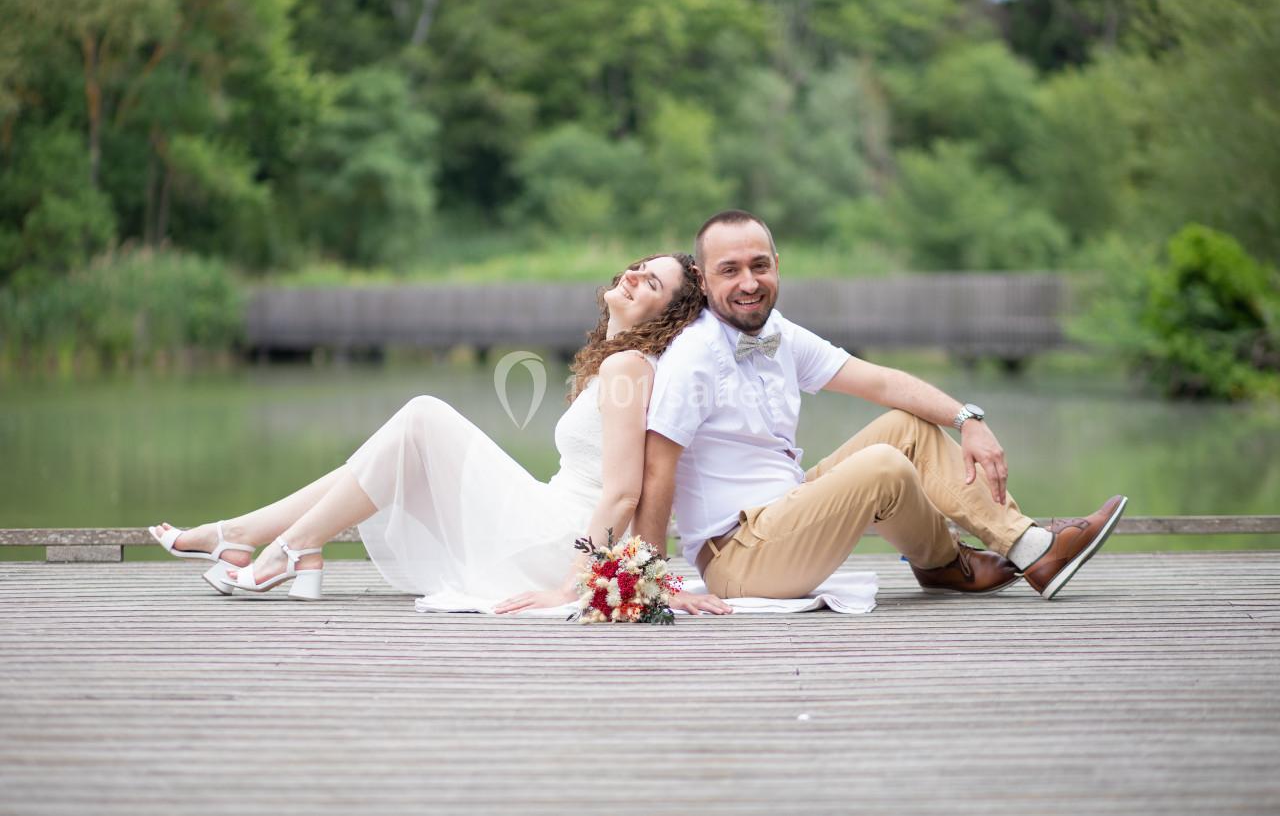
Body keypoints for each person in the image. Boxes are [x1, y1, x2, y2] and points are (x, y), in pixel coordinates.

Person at [149, 253, 730, 615]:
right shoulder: (617, 362)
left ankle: (283, 546)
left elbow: (625, 493)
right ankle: (252, 536)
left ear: (664, 316)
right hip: (551, 522)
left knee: (423, 418)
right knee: (400, 447)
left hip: (560, 544)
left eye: (651, 282)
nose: (632, 276)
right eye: (637, 266)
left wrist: (573, 585)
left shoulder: (628, 369)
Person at [632, 210, 1127, 606]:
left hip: (787, 511)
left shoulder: (777, 332)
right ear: (701, 279)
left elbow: (882, 381)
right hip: (738, 557)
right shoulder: (694, 355)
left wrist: (968, 419)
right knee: (882, 465)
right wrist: (653, 585)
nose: (749, 282)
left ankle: (1025, 548)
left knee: (907, 427)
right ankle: (949, 561)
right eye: (730, 270)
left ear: (777, 264)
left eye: (759, 265)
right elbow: (656, 471)